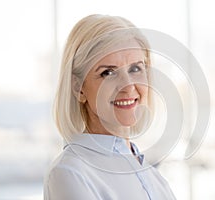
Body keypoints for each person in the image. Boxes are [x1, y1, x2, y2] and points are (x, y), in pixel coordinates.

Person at [44, 14, 176, 200]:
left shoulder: (151, 175)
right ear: (78, 87)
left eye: (136, 69)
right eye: (108, 72)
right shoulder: (70, 173)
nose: (128, 86)